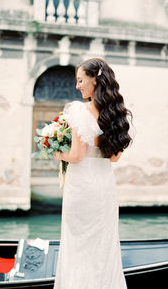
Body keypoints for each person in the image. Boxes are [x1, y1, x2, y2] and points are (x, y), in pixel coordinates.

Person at [54, 58, 132, 289]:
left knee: (77, 246)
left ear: (94, 79)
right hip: (104, 187)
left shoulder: (79, 110)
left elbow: (76, 155)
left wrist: (58, 154)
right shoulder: (117, 113)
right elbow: (114, 157)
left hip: (81, 186)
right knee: (103, 246)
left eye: (80, 80)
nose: (77, 86)